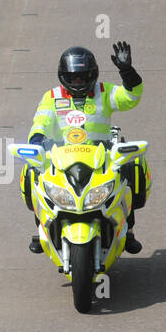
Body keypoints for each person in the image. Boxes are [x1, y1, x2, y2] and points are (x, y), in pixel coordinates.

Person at [19, 41, 149, 254]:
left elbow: (131, 98)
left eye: (83, 76)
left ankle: (129, 229)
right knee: (31, 170)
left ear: (93, 74)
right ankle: (42, 226)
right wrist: (36, 141)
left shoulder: (104, 91)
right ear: (63, 76)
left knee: (133, 166)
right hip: (61, 158)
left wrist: (127, 72)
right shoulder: (52, 97)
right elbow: (40, 121)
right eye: (73, 77)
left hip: (102, 157)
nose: (78, 81)